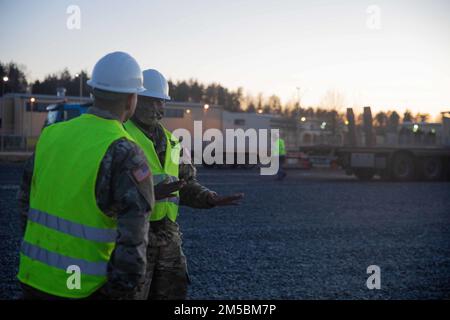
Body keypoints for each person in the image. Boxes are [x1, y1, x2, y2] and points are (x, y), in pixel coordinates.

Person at [16, 51, 154, 300]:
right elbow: (133, 240)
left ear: (93, 92)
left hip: (33, 277)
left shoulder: (51, 135)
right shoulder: (125, 150)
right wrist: (120, 291)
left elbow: (25, 203)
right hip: (84, 288)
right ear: (131, 99)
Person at [124, 69, 244, 300]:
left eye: (161, 102)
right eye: (150, 101)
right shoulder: (119, 137)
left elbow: (185, 184)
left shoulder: (173, 141)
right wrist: (149, 194)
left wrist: (208, 197)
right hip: (133, 236)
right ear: (135, 100)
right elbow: (103, 191)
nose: (157, 108)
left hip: (168, 238)